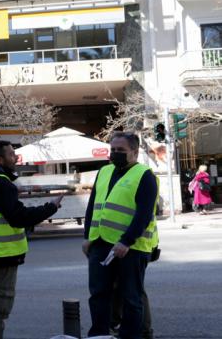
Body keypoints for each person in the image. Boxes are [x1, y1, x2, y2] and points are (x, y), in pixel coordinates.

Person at [0, 140, 62, 339]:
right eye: (10, 154)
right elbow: (18, 217)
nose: (15, 157)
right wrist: (50, 207)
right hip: (2, 254)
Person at [83, 131, 159, 339]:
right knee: (99, 294)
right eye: (113, 150)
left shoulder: (144, 175)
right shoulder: (104, 171)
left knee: (131, 297)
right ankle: (99, 334)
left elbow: (144, 214)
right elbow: (92, 207)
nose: (115, 154)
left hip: (130, 248)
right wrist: (87, 236)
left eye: (121, 150)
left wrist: (126, 241)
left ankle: (130, 335)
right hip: (100, 243)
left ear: (134, 152)